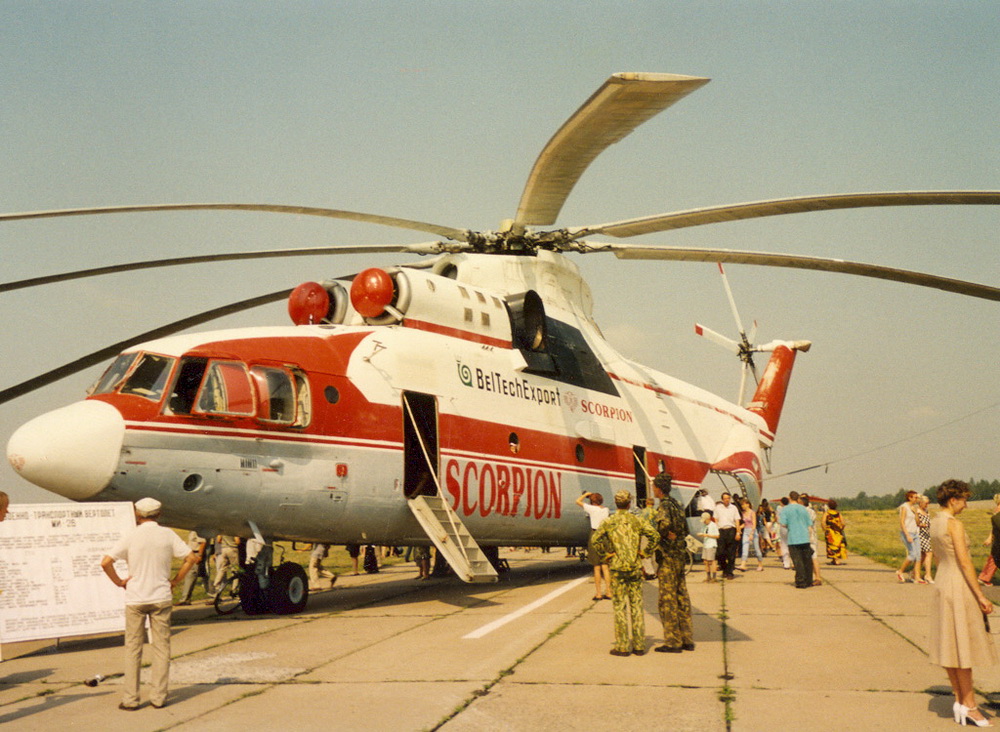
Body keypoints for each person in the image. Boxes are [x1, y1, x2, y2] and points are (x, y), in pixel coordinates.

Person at [100, 498, 199, 710]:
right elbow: (191, 558)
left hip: (136, 598)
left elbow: (105, 562)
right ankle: (158, 697)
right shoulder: (167, 534)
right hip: (161, 596)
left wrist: (119, 582)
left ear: (138, 514)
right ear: (159, 514)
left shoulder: (131, 535)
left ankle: (130, 699)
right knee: (162, 648)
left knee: (133, 649)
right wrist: (175, 581)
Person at [929, 479, 997, 727]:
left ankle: (960, 700)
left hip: (943, 582)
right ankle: (969, 705)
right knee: (964, 650)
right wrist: (980, 595)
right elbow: (965, 562)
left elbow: (937, 558)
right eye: (965, 500)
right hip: (958, 584)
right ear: (953, 499)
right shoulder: (953, 524)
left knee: (951, 646)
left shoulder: (934, 522)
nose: (966, 505)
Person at [591, 490, 658, 656]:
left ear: (616, 503)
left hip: (618, 568)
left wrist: (606, 555)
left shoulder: (609, 521)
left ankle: (622, 646)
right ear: (629, 504)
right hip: (634, 567)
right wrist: (645, 552)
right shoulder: (636, 520)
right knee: (637, 606)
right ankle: (639, 645)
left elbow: (595, 540)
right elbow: (654, 536)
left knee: (620, 607)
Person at [653, 473, 694, 652]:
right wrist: (676, 536)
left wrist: (660, 535)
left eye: (654, 487)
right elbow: (685, 529)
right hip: (679, 555)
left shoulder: (664, 506)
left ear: (659, 489)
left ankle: (672, 642)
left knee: (667, 599)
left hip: (668, 557)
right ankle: (687, 638)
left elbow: (663, 525)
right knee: (681, 596)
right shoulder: (677, 504)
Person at [577, 491, 611, 600]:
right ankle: (609, 592)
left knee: (596, 567)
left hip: (595, 534)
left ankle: (599, 593)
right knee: (605, 566)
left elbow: (577, 501)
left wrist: (586, 494)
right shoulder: (606, 510)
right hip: (604, 536)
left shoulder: (592, 509)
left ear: (592, 501)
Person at [779, 491, 814, 588]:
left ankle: (801, 581)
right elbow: (809, 524)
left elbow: (783, 523)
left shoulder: (785, 509)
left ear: (790, 498)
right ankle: (809, 580)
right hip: (804, 537)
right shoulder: (803, 509)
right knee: (807, 561)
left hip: (793, 538)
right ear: (798, 498)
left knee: (798, 561)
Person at [713, 492, 741, 580]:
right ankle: (724, 568)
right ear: (722, 499)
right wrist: (716, 530)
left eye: (728, 498)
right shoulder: (718, 508)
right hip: (721, 530)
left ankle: (730, 572)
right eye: (725, 498)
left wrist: (738, 532)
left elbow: (737, 521)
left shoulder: (733, 508)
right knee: (720, 552)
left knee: (731, 553)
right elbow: (715, 519)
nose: (727, 500)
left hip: (731, 530)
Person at [177, 531, 210, 605]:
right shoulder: (192, 530)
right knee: (204, 576)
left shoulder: (197, 530)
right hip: (192, 553)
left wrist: (199, 555)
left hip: (196, 553)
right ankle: (215, 595)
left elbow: (203, 543)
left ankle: (185, 599)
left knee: (190, 575)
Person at [897, 490, 921, 583]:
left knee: (918, 555)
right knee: (912, 554)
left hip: (915, 532)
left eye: (917, 497)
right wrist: (907, 535)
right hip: (907, 533)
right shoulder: (904, 507)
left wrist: (915, 513)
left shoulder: (913, 508)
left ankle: (917, 577)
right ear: (909, 497)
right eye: (915, 497)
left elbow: (918, 522)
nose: (916, 499)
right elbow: (902, 522)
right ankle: (900, 571)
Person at [977, 494, 1000, 586]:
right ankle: (984, 577)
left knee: (993, 559)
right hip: (998, 539)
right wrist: (990, 538)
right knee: (994, 559)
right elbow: (996, 527)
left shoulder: (997, 510)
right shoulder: (998, 510)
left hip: (997, 539)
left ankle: (984, 577)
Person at [737, 498, 764, 572]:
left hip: (753, 531)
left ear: (747, 504)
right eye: (741, 505)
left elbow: (754, 524)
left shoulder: (752, 512)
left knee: (756, 548)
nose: (742, 506)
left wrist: (752, 533)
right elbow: (744, 524)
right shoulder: (743, 513)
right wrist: (738, 528)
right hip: (745, 530)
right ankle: (743, 564)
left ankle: (760, 564)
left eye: (743, 504)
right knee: (745, 547)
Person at [822, 499, 848, 565]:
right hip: (837, 532)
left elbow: (823, 522)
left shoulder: (827, 513)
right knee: (837, 545)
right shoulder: (838, 513)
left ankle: (836, 560)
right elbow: (843, 523)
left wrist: (825, 529)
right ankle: (835, 559)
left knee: (831, 546)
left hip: (830, 532)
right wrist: (841, 529)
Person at [915, 495, 933, 584]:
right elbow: (915, 523)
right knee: (929, 553)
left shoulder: (926, 511)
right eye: (926, 503)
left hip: (927, 534)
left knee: (923, 556)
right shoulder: (917, 511)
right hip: (920, 535)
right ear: (920, 503)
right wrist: (921, 525)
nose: (927, 505)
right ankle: (928, 575)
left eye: (928, 503)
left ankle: (915, 573)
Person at [698, 511, 719, 582]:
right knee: (705, 561)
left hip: (711, 544)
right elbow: (703, 533)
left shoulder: (713, 525)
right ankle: (708, 576)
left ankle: (714, 577)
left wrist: (707, 535)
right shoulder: (704, 526)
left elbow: (717, 535)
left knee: (712, 561)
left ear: (708, 519)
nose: (704, 522)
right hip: (706, 544)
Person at [775, 497, 792, 569]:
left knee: (784, 544)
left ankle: (786, 563)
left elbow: (777, 518)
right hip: (791, 527)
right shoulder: (791, 508)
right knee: (791, 545)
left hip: (782, 527)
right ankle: (793, 561)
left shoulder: (779, 508)